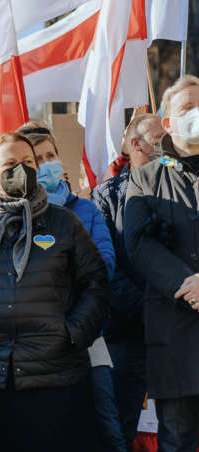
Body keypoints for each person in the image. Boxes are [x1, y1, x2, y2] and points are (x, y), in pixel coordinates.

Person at [0, 132, 109, 451]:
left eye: (28, 162)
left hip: (52, 377)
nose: (21, 170)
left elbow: (95, 284)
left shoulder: (63, 223)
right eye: (10, 163)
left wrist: (72, 334)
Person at [23, 126, 122, 450]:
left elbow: (104, 265)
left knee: (106, 423)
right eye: (37, 159)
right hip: (39, 340)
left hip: (88, 332)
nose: (47, 163)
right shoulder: (20, 217)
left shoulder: (86, 210)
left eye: (51, 155)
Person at [123, 75, 199, 451]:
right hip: (175, 333)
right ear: (167, 122)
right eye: (187, 109)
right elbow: (138, 244)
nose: (197, 114)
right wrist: (190, 284)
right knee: (178, 440)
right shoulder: (144, 180)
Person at [93, 112, 166, 449]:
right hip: (128, 335)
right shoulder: (105, 197)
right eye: (158, 142)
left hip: (177, 336)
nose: (167, 149)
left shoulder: (183, 190)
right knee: (121, 429)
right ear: (135, 144)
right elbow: (107, 268)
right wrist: (153, 308)